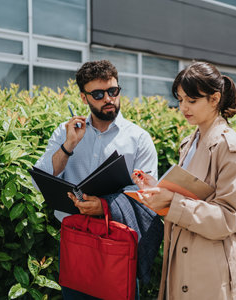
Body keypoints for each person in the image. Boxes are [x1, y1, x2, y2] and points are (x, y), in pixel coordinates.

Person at [34, 60, 162, 299]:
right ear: (84, 98)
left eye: (113, 91)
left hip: (118, 243)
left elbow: (150, 197)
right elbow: (40, 180)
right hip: (75, 240)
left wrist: (105, 206)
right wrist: (69, 145)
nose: (108, 99)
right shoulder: (65, 133)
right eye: (98, 94)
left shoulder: (138, 138)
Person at [132, 61, 236, 300]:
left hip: (210, 265)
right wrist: (157, 190)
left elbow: (229, 218)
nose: (183, 107)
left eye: (192, 100)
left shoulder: (231, 147)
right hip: (182, 257)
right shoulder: (190, 142)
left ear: (215, 99)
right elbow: (188, 194)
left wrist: (172, 202)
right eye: (180, 100)